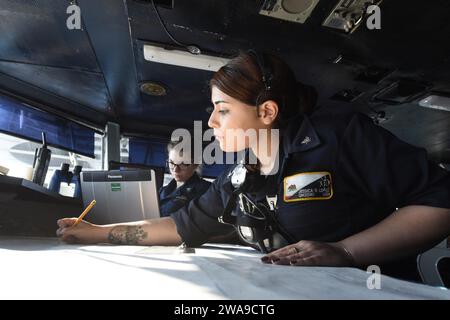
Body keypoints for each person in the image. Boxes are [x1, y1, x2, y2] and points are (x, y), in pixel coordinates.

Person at [57, 51, 450, 282]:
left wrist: (345, 251)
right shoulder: (242, 174)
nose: (211, 122)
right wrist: (96, 233)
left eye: (223, 110)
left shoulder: (339, 134)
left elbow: (440, 201)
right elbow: (179, 225)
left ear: (266, 112)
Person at [159, 139, 211, 217]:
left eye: (183, 164)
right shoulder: (162, 190)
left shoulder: (207, 191)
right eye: (172, 163)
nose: (175, 169)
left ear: (196, 164)